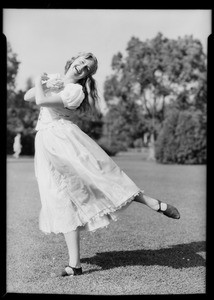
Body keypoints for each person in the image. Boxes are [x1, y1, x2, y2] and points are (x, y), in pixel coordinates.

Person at [24, 52, 180, 277]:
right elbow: (29, 96)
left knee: (101, 177)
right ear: (72, 60)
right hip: (46, 144)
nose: (81, 67)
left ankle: (153, 203)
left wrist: (41, 81)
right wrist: (48, 82)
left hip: (63, 139)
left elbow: (39, 100)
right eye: (81, 62)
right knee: (61, 198)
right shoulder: (59, 81)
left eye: (87, 68)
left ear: (87, 75)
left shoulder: (76, 91)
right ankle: (74, 265)